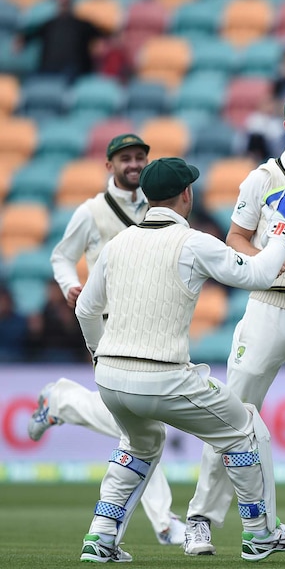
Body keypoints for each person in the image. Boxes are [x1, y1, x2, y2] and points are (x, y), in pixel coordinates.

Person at [74, 157, 285, 563]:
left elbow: (85, 311)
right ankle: (260, 532)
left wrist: (99, 356)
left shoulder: (118, 243)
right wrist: (281, 233)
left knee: (141, 443)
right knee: (245, 427)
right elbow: (256, 276)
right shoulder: (193, 242)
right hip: (163, 377)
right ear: (186, 195)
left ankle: (101, 535)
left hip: (110, 378)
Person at [184, 89, 285, 557]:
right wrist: (266, 261)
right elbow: (236, 237)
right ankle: (201, 518)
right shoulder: (263, 178)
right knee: (231, 414)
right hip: (267, 304)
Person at [29, 133, 186, 545]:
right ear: (109, 165)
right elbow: (62, 255)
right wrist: (69, 285)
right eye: (126, 159)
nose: (134, 165)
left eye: (140, 158)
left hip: (148, 321)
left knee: (136, 428)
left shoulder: (159, 205)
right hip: (109, 324)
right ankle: (165, 522)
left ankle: (63, 400)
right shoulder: (91, 211)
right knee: (139, 429)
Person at [15, 0, 107, 81]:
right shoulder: (49, 25)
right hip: (48, 70)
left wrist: (100, 43)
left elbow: (103, 36)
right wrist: (21, 41)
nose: (63, 2)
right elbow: (26, 38)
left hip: (75, 72)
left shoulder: (82, 25)